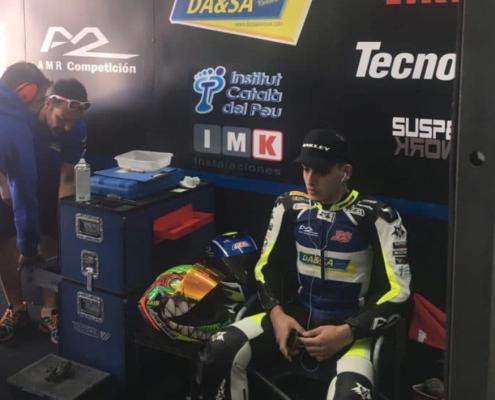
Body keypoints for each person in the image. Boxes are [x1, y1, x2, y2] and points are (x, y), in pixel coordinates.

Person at [198, 128, 412, 399]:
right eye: (306, 169)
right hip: (297, 319)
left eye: (321, 171)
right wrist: (277, 316)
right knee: (220, 349)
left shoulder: (378, 216)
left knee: (349, 396)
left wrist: (348, 331)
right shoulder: (288, 206)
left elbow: (400, 292)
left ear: (345, 172)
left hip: (352, 331)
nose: (310, 179)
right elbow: (265, 268)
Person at [0, 78, 89, 344]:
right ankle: (16, 307)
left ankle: (50, 310)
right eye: (62, 119)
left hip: (48, 184)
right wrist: (4, 186)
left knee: (51, 235)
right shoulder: (19, 119)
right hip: (10, 183)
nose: (67, 127)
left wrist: (62, 216)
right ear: (49, 103)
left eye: (73, 122)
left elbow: (68, 177)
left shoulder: (76, 129)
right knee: (4, 240)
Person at [0, 62, 51, 341]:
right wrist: (29, 247)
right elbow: (23, 192)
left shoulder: (15, 117)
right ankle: (17, 307)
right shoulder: (12, 126)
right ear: (25, 93)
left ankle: (19, 308)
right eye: (41, 97)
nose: (42, 104)